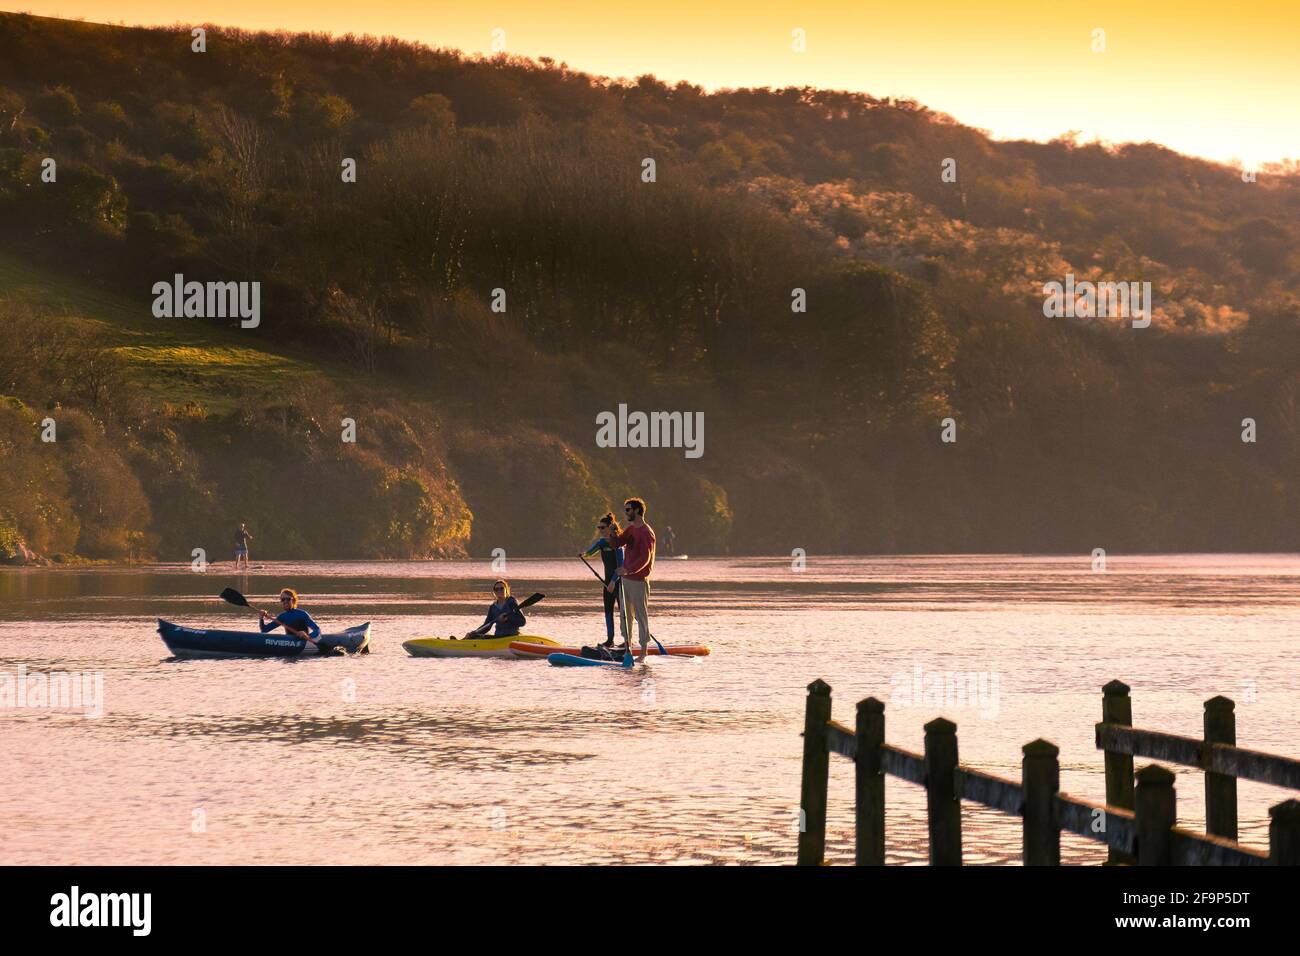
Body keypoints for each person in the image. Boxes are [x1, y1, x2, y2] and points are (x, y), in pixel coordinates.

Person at [610, 497, 656, 661]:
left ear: (637, 510)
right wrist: (613, 533)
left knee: (640, 616)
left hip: (639, 581)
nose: (626, 512)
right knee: (625, 615)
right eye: (625, 510)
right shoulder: (631, 529)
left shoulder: (646, 532)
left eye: (628, 510)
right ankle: (628, 649)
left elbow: (645, 558)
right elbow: (617, 543)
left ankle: (643, 653)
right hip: (626, 580)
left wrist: (628, 569)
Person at [582, 513, 627, 648]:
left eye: (602, 528)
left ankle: (627, 641)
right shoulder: (601, 542)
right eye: (599, 528)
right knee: (608, 611)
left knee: (623, 612)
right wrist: (583, 554)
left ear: (609, 528)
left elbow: (620, 566)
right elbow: (590, 552)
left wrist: (613, 581)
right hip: (606, 582)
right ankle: (610, 640)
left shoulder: (618, 544)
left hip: (619, 582)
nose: (600, 530)